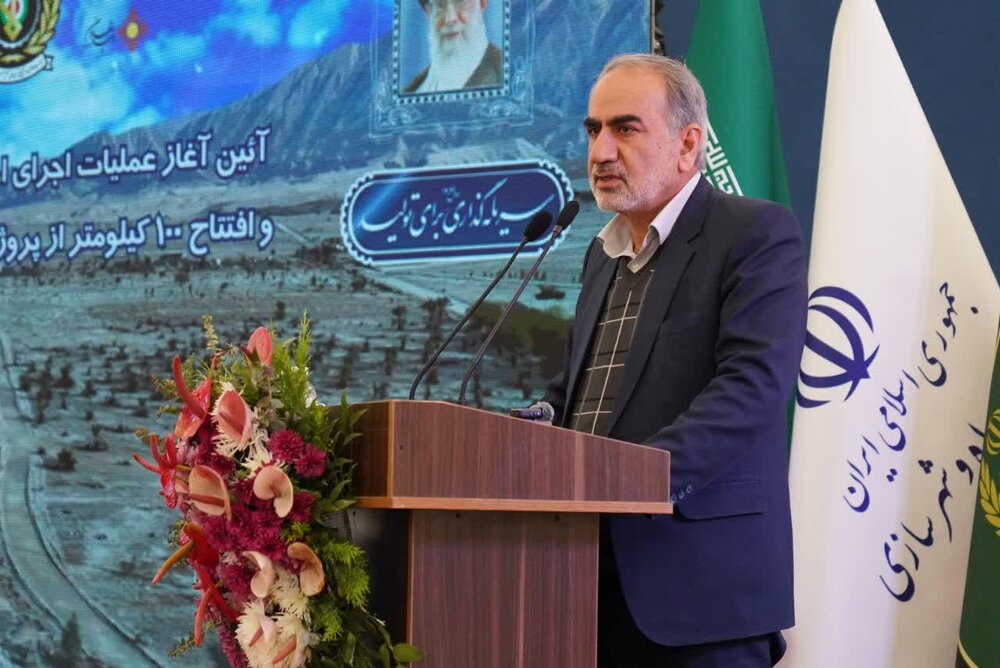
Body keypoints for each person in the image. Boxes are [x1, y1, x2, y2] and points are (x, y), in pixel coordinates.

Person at [539, 54, 807, 666]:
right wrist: (537, 421)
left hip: (700, 594)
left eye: (625, 128)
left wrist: (631, 480)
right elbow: (582, 389)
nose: (601, 151)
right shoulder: (602, 255)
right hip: (583, 584)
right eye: (593, 130)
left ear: (688, 144)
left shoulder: (754, 234)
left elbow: (751, 388)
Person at [403, 0, 501, 94]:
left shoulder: (504, 73)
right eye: (440, 4)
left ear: (482, 4)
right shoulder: (413, 90)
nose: (450, 19)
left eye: (460, 1)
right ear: (428, 12)